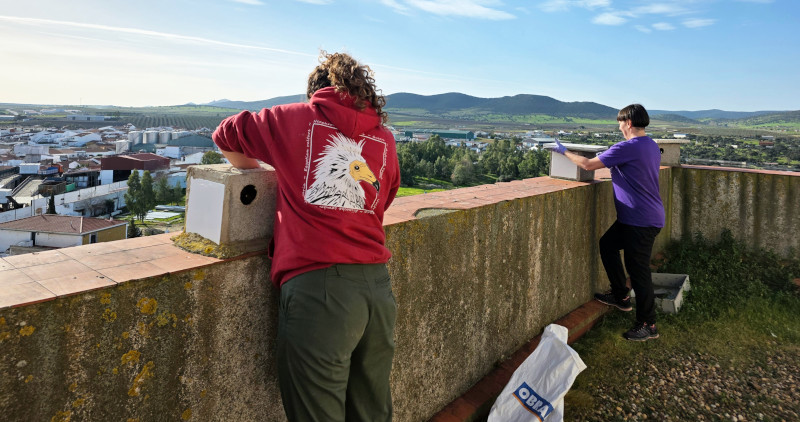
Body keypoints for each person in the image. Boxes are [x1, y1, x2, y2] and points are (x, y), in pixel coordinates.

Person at [212, 51, 401, 421]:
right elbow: (382, 200)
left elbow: (225, 135)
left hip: (320, 290)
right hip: (377, 290)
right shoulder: (385, 139)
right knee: (372, 413)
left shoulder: (292, 118)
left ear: (316, 91)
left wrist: (273, 172)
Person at [552, 104, 664, 341]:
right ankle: (621, 296)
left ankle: (648, 324)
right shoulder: (651, 145)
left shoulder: (627, 147)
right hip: (639, 217)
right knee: (608, 244)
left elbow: (588, 165)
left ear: (629, 123)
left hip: (640, 220)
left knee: (639, 272)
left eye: (620, 122)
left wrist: (563, 151)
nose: (619, 126)